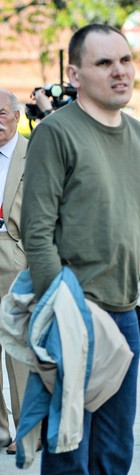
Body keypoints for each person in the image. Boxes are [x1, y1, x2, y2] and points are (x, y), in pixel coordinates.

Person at [20, 23, 140, 475]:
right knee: (70, 461)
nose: (119, 71)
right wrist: (65, 311)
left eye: (125, 60)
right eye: (103, 63)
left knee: (112, 462)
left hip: (123, 317)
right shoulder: (58, 132)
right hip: (74, 319)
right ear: (75, 74)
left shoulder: (138, 133)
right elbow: (36, 232)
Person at [0, 89, 36, 455]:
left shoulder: (33, 153)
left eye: (2, 113)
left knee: (19, 346)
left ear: (16, 114)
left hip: (17, 254)